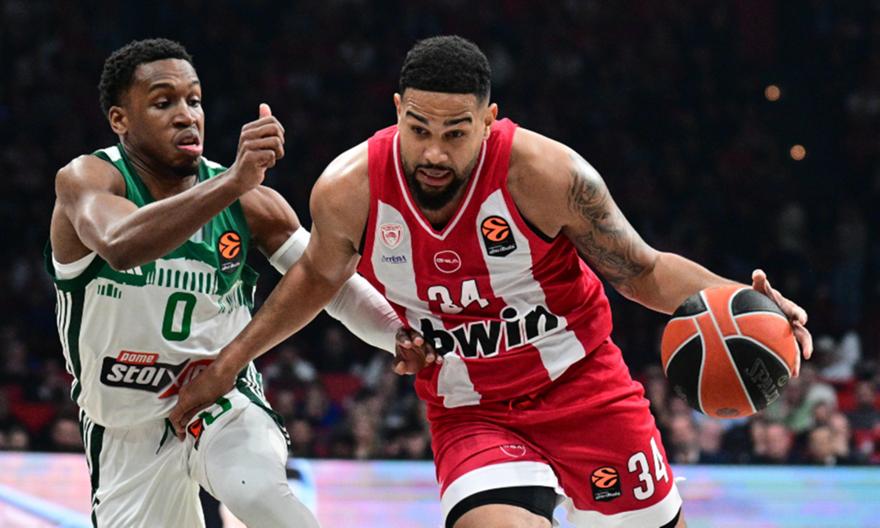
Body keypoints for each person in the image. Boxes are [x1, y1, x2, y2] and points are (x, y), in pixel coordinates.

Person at [172, 35, 813, 528]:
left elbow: (640, 270)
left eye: (456, 133)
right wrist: (229, 362)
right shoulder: (350, 188)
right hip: (469, 406)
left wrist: (742, 301)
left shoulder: (547, 174)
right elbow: (316, 278)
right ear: (397, 110)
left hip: (584, 386)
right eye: (419, 128)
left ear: (488, 120)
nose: (434, 152)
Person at [47, 38, 432, 528]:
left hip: (221, 396)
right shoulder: (88, 180)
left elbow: (328, 280)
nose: (186, 116)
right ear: (120, 119)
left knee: (261, 497)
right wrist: (232, 181)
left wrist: (397, 333)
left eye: (194, 100)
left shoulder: (251, 205)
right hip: (124, 427)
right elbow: (121, 245)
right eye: (164, 103)